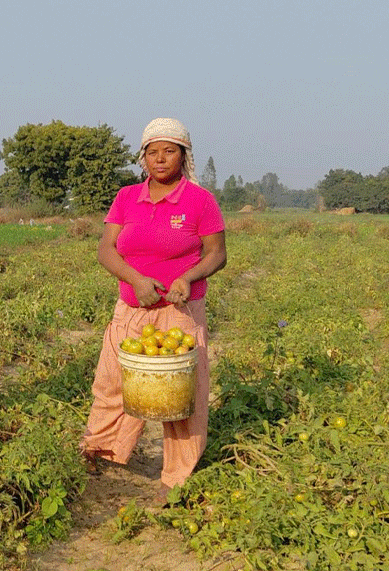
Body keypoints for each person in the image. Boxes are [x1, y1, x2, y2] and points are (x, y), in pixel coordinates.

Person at [80, 117, 227, 502]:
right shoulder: (127, 197)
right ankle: (100, 452)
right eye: (152, 152)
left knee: (181, 395)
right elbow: (106, 250)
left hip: (179, 312)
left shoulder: (199, 200)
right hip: (132, 308)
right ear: (142, 157)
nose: (160, 159)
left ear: (183, 155)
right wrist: (136, 280)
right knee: (112, 382)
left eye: (169, 151)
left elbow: (217, 254)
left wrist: (189, 277)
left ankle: (176, 476)